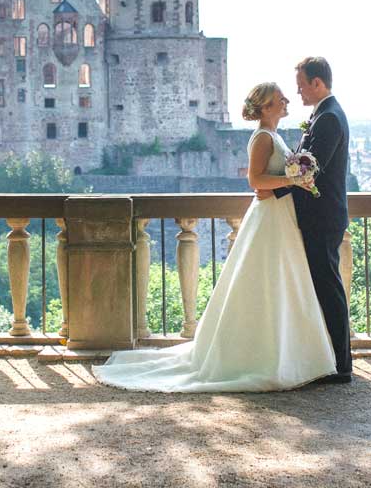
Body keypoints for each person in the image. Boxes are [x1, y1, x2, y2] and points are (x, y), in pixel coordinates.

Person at [92, 81, 337, 392]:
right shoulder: (262, 136)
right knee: (268, 281)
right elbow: (255, 181)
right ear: (265, 107)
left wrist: (293, 179)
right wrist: (292, 179)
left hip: (280, 215)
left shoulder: (272, 135)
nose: (287, 100)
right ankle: (268, 358)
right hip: (271, 216)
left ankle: (285, 355)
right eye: (279, 99)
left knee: (281, 283)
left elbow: (268, 182)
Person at [266, 56, 352, 382]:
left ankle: (342, 365)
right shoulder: (321, 115)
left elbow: (310, 170)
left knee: (329, 288)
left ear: (318, 83)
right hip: (320, 215)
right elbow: (303, 158)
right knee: (321, 287)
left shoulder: (329, 118)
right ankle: (329, 357)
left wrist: (273, 190)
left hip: (323, 216)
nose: (298, 92)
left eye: (302, 85)